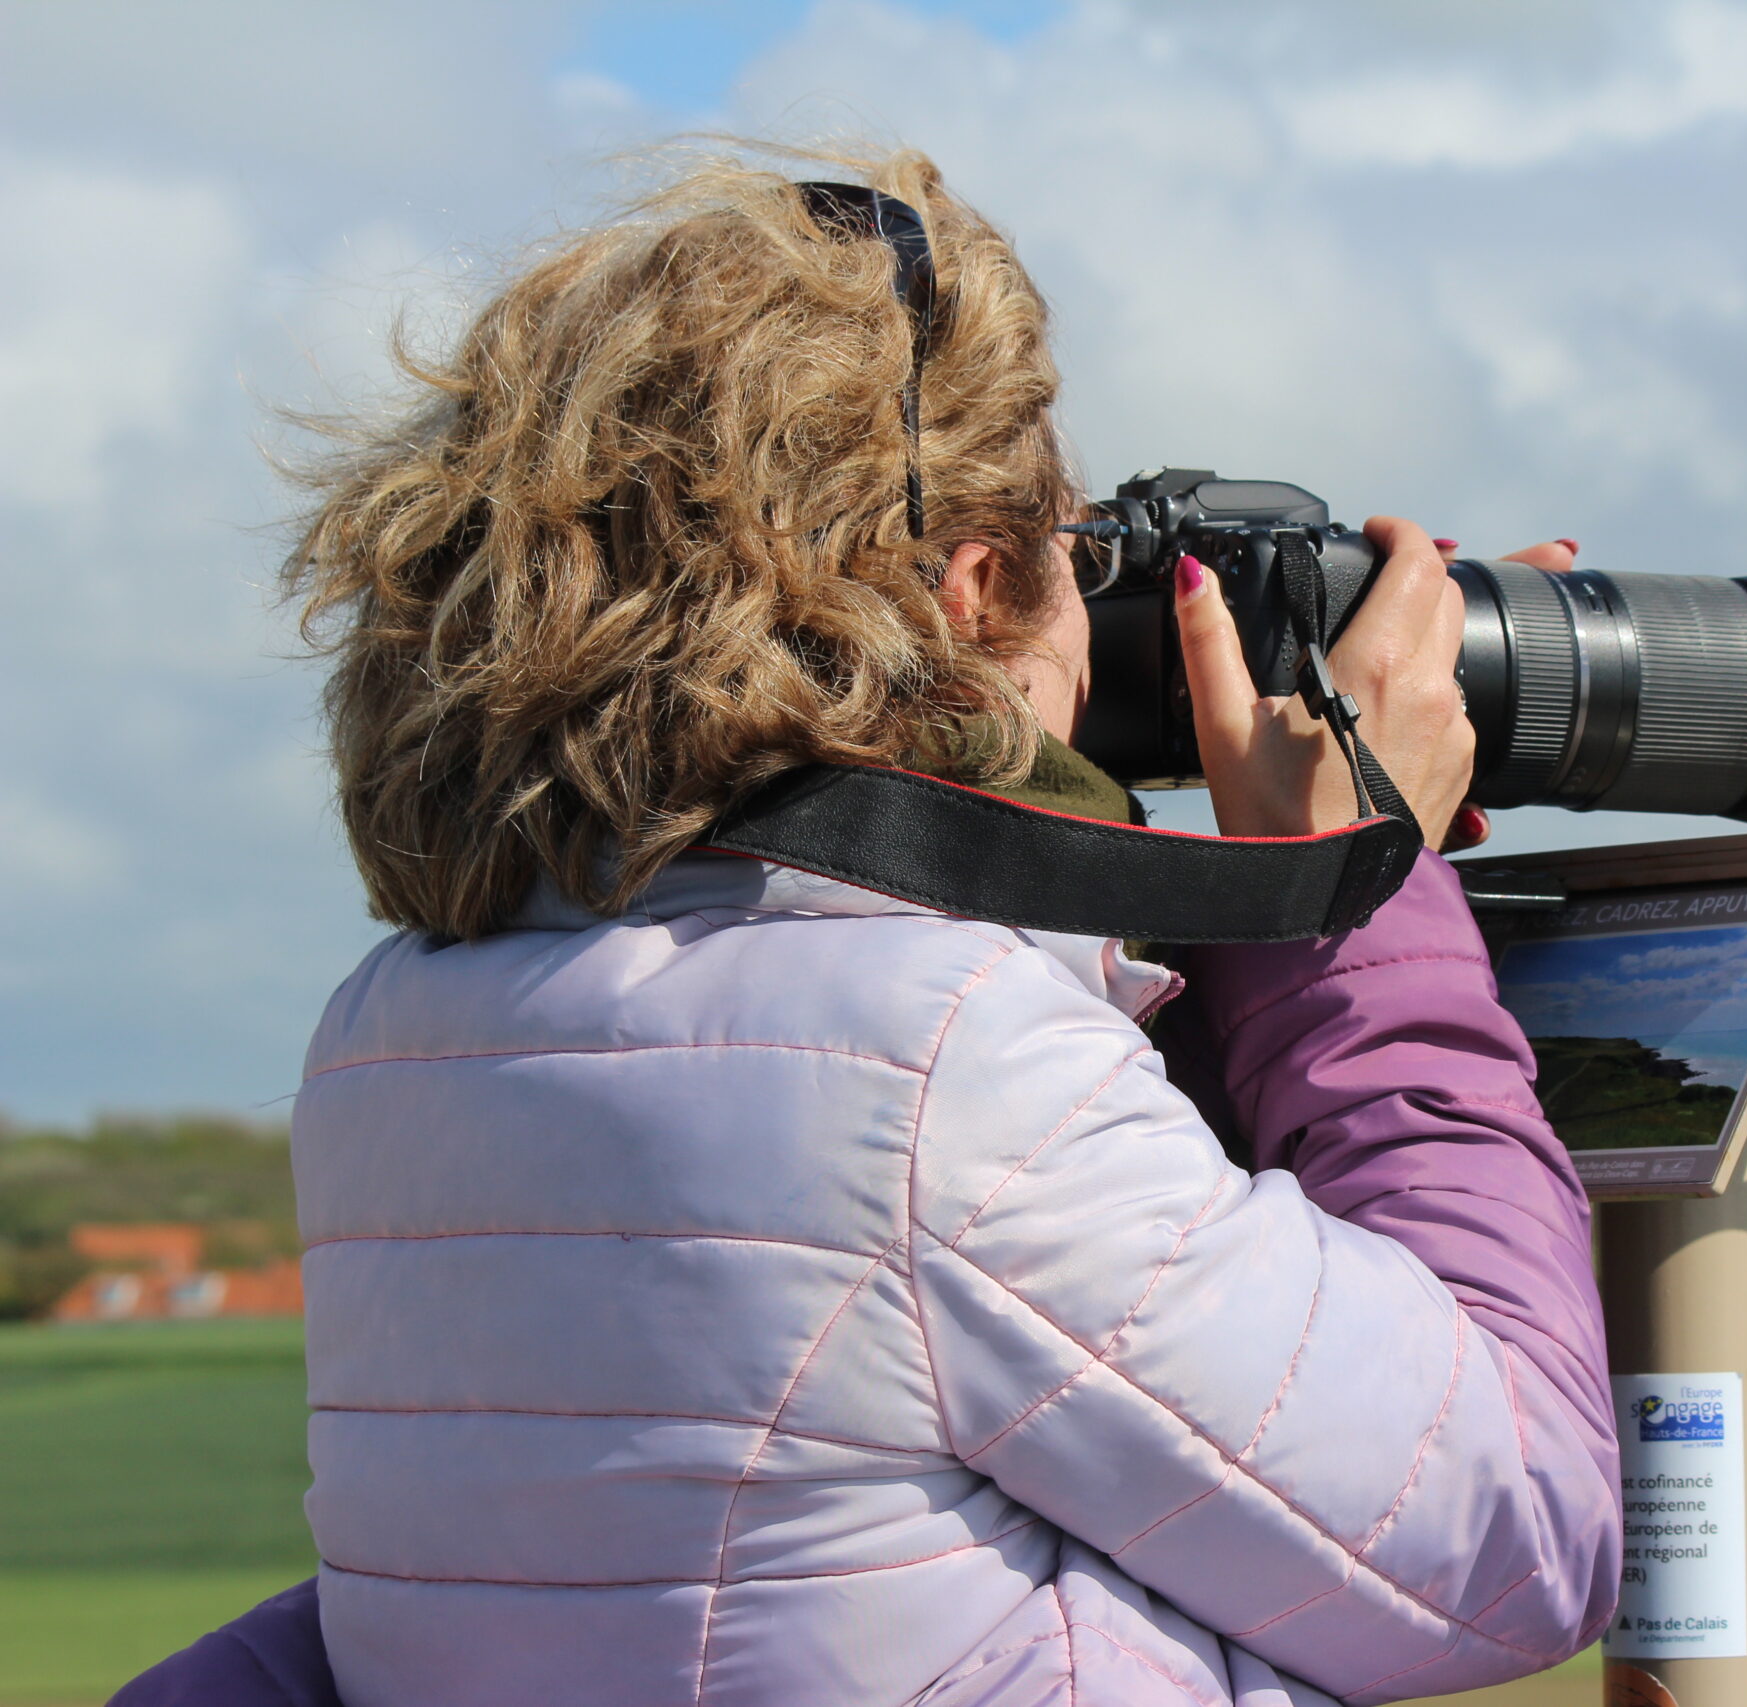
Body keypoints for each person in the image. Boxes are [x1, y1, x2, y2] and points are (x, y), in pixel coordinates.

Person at [114, 146, 1616, 1707]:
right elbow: (1515, 1527)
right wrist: (1350, 899)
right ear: (969, 594)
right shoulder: (938, 1067)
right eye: (1072, 565)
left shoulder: (404, 1031)